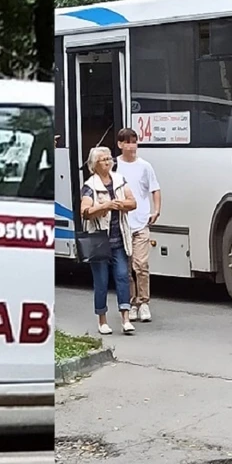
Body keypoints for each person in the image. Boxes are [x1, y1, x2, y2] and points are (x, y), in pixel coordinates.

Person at [80, 146, 138, 335]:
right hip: (99, 240)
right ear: (95, 164)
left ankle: (125, 318)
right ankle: (102, 320)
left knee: (122, 276)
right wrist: (104, 206)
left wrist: (119, 204)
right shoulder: (90, 186)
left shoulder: (120, 181)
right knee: (101, 281)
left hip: (119, 238)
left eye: (109, 159)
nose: (108, 162)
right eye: (103, 160)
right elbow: (85, 212)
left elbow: (133, 202)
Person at [114, 128, 160, 323]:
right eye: (128, 142)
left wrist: (156, 210)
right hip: (123, 224)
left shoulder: (145, 166)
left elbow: (155, 189)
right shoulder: (114, 166)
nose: (132, 146)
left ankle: (144, 303)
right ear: (120, 144)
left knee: (141, 264)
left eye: (134, 142)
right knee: (127, 268)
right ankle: (132, 303)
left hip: (141, 222)